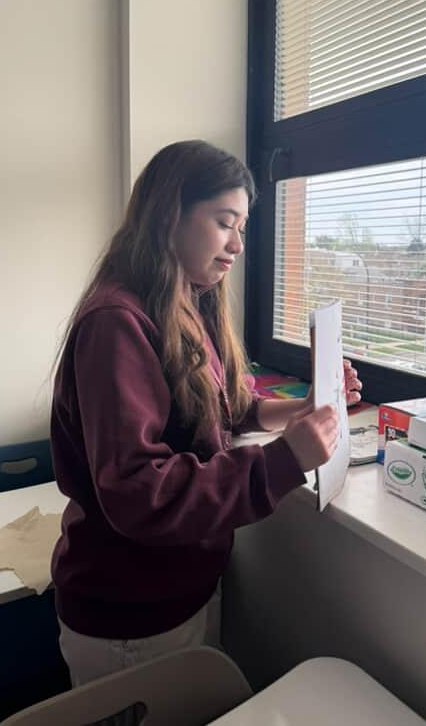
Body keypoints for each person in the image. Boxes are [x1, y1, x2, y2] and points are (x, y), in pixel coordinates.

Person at [49, 140, 361, 704]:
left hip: (179, 585)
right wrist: (285, 460)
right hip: (129, 611)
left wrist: (305, 404)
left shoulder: (188, 302)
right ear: (170, 214)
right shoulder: (117, 323)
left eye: (242, 227)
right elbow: (139, 493)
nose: (238, 244)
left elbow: (224, 408)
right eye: (224, 222)